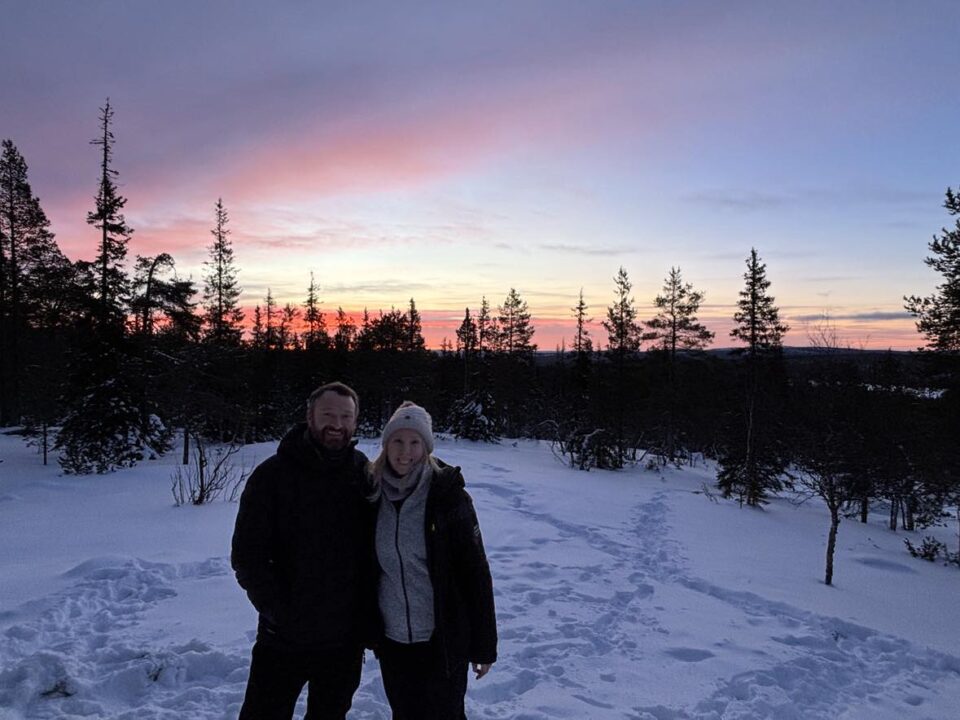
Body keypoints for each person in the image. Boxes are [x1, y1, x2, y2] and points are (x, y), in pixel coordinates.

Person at [231, 381, 376, 720]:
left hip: (344, 641)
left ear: (355, 422)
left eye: (345, 416)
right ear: (309, 416)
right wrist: (278, 612)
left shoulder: (363, 473)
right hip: (283, 638)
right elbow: (247, 556)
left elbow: (374, 554)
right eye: (327, 414)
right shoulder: (273, 476)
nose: (336, 424)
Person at [371, 401, 497, 719]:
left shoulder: (447, 496)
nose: (405, 451)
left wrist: (483, 646)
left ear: (426, 447)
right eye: (398, 441)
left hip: (442, 639)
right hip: (393, 640)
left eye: (415, 442)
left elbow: (475, 572)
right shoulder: (370, 494)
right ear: (386, 444)